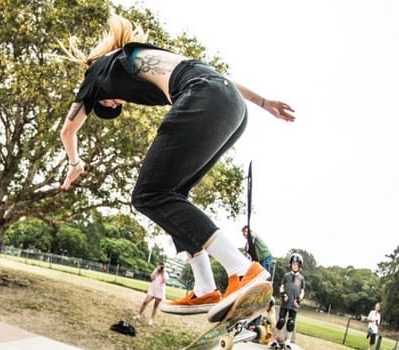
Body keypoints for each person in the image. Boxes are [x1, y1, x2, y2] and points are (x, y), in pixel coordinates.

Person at [60, 14, 294, 321]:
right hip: (231, 104)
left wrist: (75, 164)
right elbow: (219, 78)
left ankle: (242, 270)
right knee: (173, 197)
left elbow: (68, 130)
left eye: (108, 105)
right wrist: (263, 102)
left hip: (203, 97)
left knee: (148, 195)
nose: (116, 104)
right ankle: (204, 286)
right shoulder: (140, 54)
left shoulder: (96, 73)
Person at [270, 253, 306, 350]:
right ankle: (274, 340)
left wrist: (299, 299)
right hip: (285, 303)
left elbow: (302, 291)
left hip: (294, 305)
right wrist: (283, 294)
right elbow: (281, 287)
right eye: (293, 264)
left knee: (291, 323)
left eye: (297, 265)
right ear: (291, 265)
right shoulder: (286, 276)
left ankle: (288, 342)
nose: (295, 266)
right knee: (281, 321)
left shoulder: (301, 278)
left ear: (299, 266)